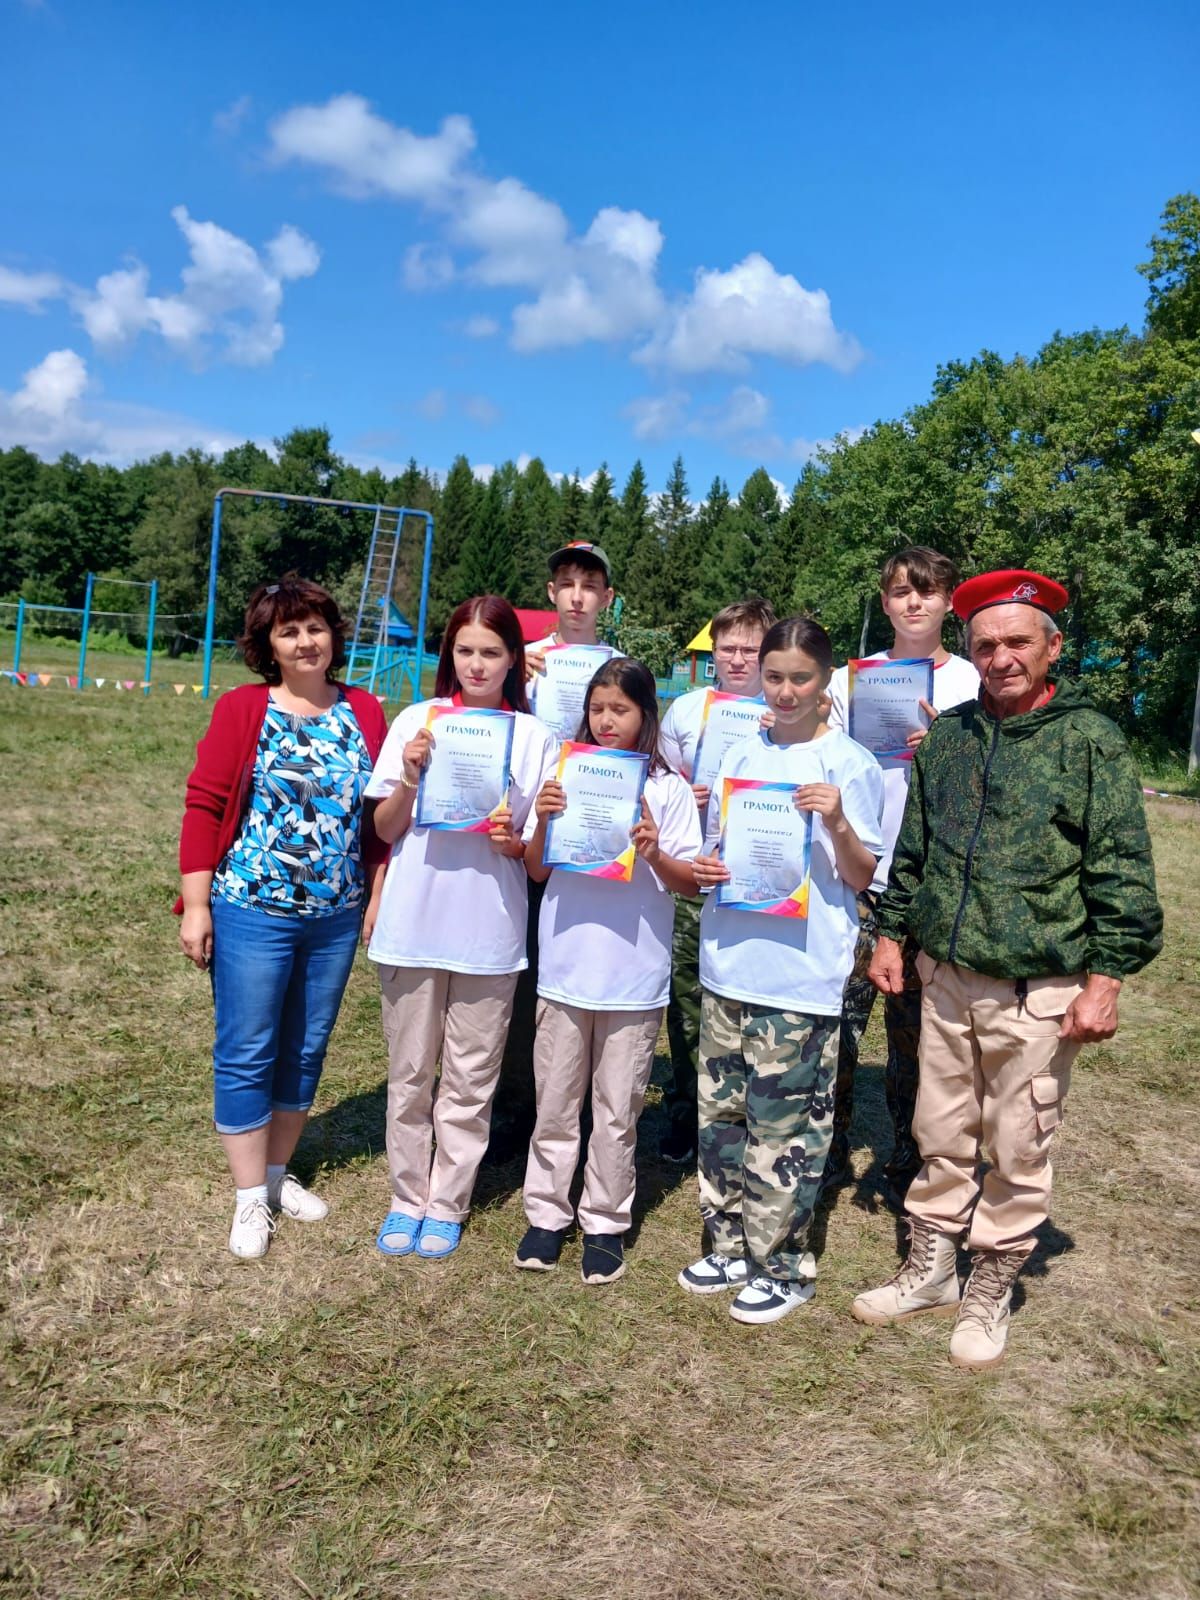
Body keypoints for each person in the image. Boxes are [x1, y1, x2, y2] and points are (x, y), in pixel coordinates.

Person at [851, 570, 1163, 1369]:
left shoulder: (1087, 739)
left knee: (1019, 1146)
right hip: (947, 978)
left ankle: (990, 1289)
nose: (1000, 658)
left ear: (1052, 646)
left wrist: (1107, 978)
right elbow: (911, 851)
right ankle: (931, 1271)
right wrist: (890, 936)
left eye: (1018, 642)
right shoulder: (948, 738)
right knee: (939, 1133)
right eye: (985, 644)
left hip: (1040, 989)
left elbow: (1121, 869)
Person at [679, 617, 884, 1324]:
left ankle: (785, 1267)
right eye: (775, 676)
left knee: (786, 1128)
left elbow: (862, 878)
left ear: (826, 681)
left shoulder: (848, 763)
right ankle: (730, 1244)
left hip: (799, 977)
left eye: (801, 677)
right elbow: (713, 855)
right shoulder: (737, 752)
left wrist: (838, 825)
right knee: (724, 1119)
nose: (786, 690)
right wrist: (705, 869)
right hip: (729, 965)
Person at [178, 577, 389, 1261]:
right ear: (268, 645)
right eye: (289, 631)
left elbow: (378, 820)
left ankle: (275, 1178)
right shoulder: (245, 709)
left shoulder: (364, 709)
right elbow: (205, 805)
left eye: (316, 627)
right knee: (248, 1048)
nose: (306, 641)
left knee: (305, 1047)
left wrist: (376, 893)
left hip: (334, 916)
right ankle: (248, 1202)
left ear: (334, 635)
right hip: (251, 910)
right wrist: (198, 904)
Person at [365, 596, 554, 1260]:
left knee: (472, 1078)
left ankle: (447, 1202)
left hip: (488, 932)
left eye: (492, 652)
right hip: (413, 924)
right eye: (465, 651)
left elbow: (535, 857)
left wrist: (509, 839)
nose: (476, 665)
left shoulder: (533, 738)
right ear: (450, 654)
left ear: (513, 661)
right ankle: (405, 1197)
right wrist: (412, 780)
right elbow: (384, 830)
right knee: (410, 1073)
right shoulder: (418, 720)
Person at [515, 659, 702, 1284]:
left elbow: (688, 881)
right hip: (567, 967)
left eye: (620, 710)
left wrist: (653, 850)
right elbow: (537, 870)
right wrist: (541, 817)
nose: (606, 720)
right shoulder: (563, 776)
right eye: (597, 708)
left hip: (634, 975)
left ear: (646, 715)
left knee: (618, 1109)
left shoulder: (669, 789)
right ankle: (546, 1213)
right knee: (557, 1101)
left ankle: (604, 1221)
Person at [824, 548, 979, 1200]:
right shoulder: (847, 680)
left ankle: (909, 1163)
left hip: (931, 886)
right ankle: (823, 1155)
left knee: (920, 1042)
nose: (913, 603)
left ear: (948, 601)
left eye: (927, 592)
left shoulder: (972, 682)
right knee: (835, 1029)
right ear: (884, 602)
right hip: (853, 878)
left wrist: (950, 745)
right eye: (899, 592)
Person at [490, 540, 619, 1158]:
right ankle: (518, 1107)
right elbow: (497, 730)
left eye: (589, 586)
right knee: (526, 981)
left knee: (584, 980)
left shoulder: (620, 664)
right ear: (551, 593)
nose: (576, 595)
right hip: (531, 839)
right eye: (565, 582)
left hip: (593, 842)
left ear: (606, 598)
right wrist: (519, 684)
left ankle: (586, 1110)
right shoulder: (524, 663)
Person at [656, 598, 777, 1165]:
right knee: (685, 995)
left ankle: (749, 1111)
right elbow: (660, 779)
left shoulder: (782, 711)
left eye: (749, 649)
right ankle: (686, 1108)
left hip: (756, 881)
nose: (736, 659)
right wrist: (687, 793)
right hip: (692, 875)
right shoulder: (685, 709)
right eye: (726, 647)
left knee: (748, 999)